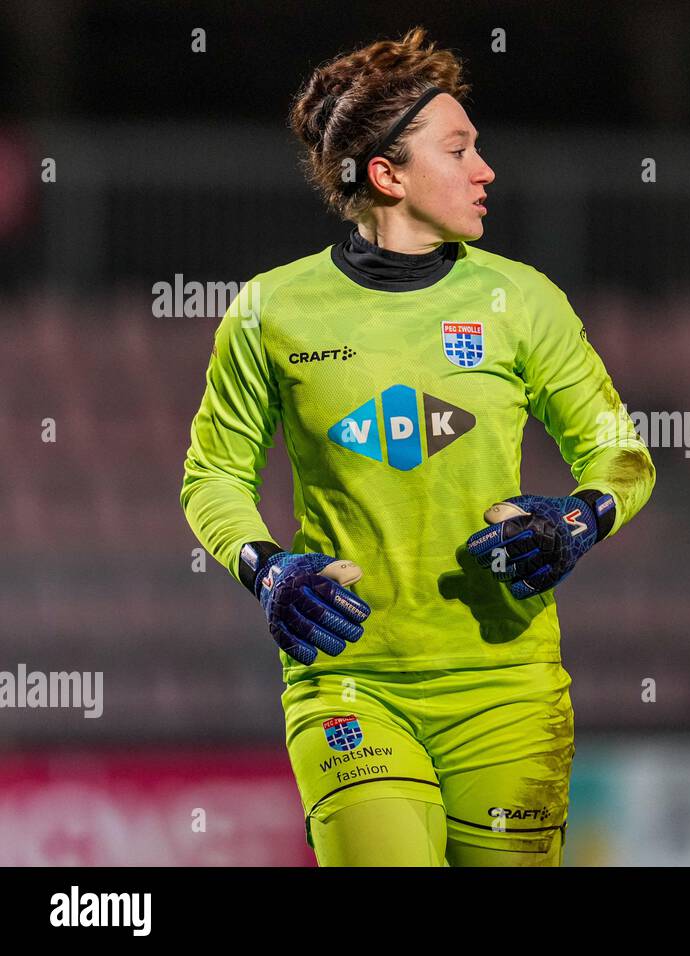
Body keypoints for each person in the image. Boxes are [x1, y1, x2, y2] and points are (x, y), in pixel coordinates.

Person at [179, 27, 655, 866]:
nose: (486, 170)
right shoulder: (269, 310)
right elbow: (213, 474)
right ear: (387, 174)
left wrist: (575, 522)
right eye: (461, 148)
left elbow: (621, 453)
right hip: (346, 682)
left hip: (508, 691)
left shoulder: (522, 300)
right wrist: (266, 567)